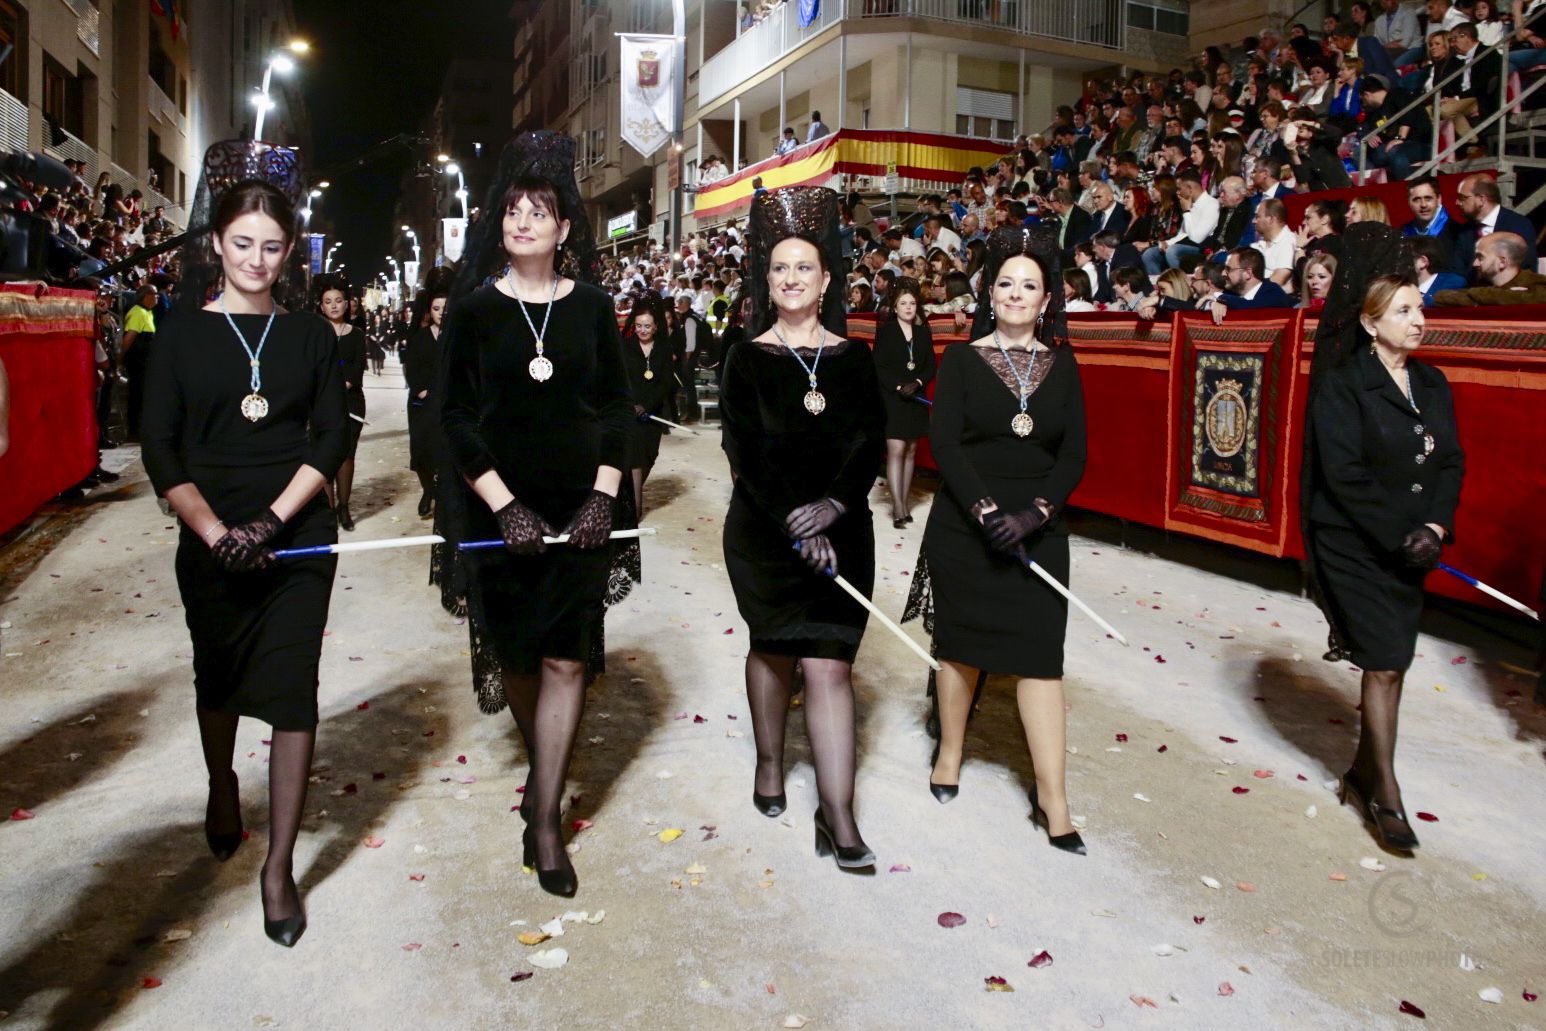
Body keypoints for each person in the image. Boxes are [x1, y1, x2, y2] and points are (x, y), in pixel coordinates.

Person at [140, 148, 347, 948]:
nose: (257, 259)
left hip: (295, 535)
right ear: (216, 245)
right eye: (242, 243)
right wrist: (219, 532)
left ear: (290, 252)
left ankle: (280, 865)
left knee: (293, 689)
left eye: (272, 246)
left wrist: (273, 520)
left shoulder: (310, 337)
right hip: (211, 532)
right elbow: (159, 447)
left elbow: (329, 435)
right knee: (219, 677)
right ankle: (222, 781)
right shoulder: (180, 333)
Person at [437, 131, 636, 899]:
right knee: (520, 657)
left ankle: (545, 815)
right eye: (512, 210)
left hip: (581, 512)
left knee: (567, 656)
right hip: (499, 514)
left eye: (540, 211)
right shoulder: (477, 311)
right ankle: (542, 772)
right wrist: (504, 504)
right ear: (499, 223)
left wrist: (602, 493)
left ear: (563, 228)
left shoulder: (593, 307)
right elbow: (454, 417)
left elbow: (618, 406)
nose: (524, 221)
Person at [904, 224, 1088, 853]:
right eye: (1005, 282)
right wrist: (985, 512)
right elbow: (947, 445)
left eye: (1029, 286)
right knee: (961, 645)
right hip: (967, 524)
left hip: (1039, 529)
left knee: (1042, 656)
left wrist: (1036, 514)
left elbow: (1074, 455)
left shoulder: (1064, 365)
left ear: (1046, 299)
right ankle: (950, 752)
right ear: (989, 292)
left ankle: (1055, 801)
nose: (1015, 293)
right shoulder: (959, 358)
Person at [718, 186, 885, 870]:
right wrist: (795, 517)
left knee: (828, 664)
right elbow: (746, 453)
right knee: (774, 647)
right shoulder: (745, 358)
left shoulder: (854, 359)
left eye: (804, 268)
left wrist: (835, 509)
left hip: (843, 533)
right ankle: (767, 761)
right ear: (769, 278)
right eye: (780, 268)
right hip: (764, 533)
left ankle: (838, 814)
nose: (791, 278)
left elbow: (868, 443)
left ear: (826, 281)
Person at [1303, 224, 1464, 854]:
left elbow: (1450, 461)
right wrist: (1403, 532)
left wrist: (1435, 526)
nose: (1418, 318)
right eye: (1404, 310)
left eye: (1420, 305)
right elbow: (1343, 477)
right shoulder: (1344, 387)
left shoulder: (1433, 385)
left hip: (1411, 544)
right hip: (1353, 543)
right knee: (1387, 662)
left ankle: (1363, 771)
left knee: (1393, 660)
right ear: (1370, 323)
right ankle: (1384, 792)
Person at [873, 280, 936, 528]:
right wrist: (899, 386)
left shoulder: (922, 333)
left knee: (911, 451)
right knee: (896, 450)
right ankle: (898, 505)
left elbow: (930, 364)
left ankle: (905, 501)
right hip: (894, 397)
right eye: (903, 303)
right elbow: (879, 365)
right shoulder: (887, 332)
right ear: (895, 307)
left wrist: (918, 382)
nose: (908, 307)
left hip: (915, 397)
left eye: (912, 303)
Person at [621, 292, 676, 515]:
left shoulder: (664, 348)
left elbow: (666, 382)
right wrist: (632, 404)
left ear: (656, 327)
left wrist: (647, 405)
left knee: (649, 456)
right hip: (629, 412)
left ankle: (628, 493)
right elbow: (619, 378)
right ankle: (635, 508)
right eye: (639, 326)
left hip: (653, 412)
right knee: (635, 457)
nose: (643, 330)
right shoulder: (624, 346)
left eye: (647, 326)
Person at [318, 280, 366, 531]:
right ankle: (328, 507)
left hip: (351, 402)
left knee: (346, 455)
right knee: (325, 454)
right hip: (320, 403)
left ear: (346, 305)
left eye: (338, 301)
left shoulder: (357, 334)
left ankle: (343, 507)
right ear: (322, 306)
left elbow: (356, 369)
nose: (334, 306)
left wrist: (340, 384)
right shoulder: (315, 332)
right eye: (328, 302)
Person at [405, 285, 449, 519]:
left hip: (449, 402)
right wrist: (422, 391)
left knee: (446, 450)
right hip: (423, 403)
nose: (441, 312)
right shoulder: (420, 336)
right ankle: (427, 491)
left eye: (445, 308)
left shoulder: (457, 335)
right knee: (422, 451)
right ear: (429, 311)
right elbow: (411, 368)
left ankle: (442, 494)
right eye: (436, 308)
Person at [1452, 173, 1538, 272]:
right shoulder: (1465, 231)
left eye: (1463, 198)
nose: (1457, 203)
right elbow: (1458, 272)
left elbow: (1525, 270)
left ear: (1481, 199)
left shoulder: (1519, 225)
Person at [1434, 231, 1546, 305]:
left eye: (1480, 257)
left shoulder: (1538, 286)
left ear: (1502, 262)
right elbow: (1442, 298)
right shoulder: (1480, 283)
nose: (1475, 263)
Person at [1399, 175, 1463, 274]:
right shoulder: (1402, 234)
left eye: (1428, 198)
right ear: (1408, 202)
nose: (1423, 205)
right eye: (1416, 199)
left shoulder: (1458, 233)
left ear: (1439, 199)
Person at [120, 285, 159, 441]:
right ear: (146, 296)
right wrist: (119, 359)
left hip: (147, 362)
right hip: (138, 363)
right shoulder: (138, 312)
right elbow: (129, 338)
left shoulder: (147, 313)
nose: (157, 297)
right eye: (155, 294)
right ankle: (134, 431)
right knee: (137, 395)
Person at [669, 293, 707, 422]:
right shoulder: (689, 317)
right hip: (688, 357)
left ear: (686, 304)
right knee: (687, 385)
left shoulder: (689, 319)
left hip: (689, 358)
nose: (678, 305)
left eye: (680, 302)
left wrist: (686, 359)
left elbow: (690, 344)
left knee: (688, 385)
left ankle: (692, 412)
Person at [1410, 235, 1467, 305]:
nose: (1397, 263)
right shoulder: (1401, 285)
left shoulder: (1453, 284)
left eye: (1404, 257)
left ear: (1423, 262)